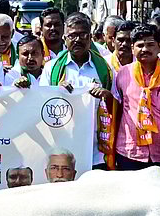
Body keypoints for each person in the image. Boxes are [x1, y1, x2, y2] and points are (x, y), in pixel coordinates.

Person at [108, 24, 160, 170]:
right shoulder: (122, 74)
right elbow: (117, 109)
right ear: (132, 48)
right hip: (129, 152)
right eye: (140, 45)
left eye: (150, 44)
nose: (145, 49)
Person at [41, 13, 113, 169]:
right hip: (63, 145)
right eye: (72, 36)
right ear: (65, 38)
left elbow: (117, 103)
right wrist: (57, 91)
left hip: (96, 149)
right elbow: (41, 103)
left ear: (90, 37)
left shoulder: (105, 68)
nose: (77, 40)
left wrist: (106, 95)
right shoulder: (51, 68)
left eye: (82, 35)